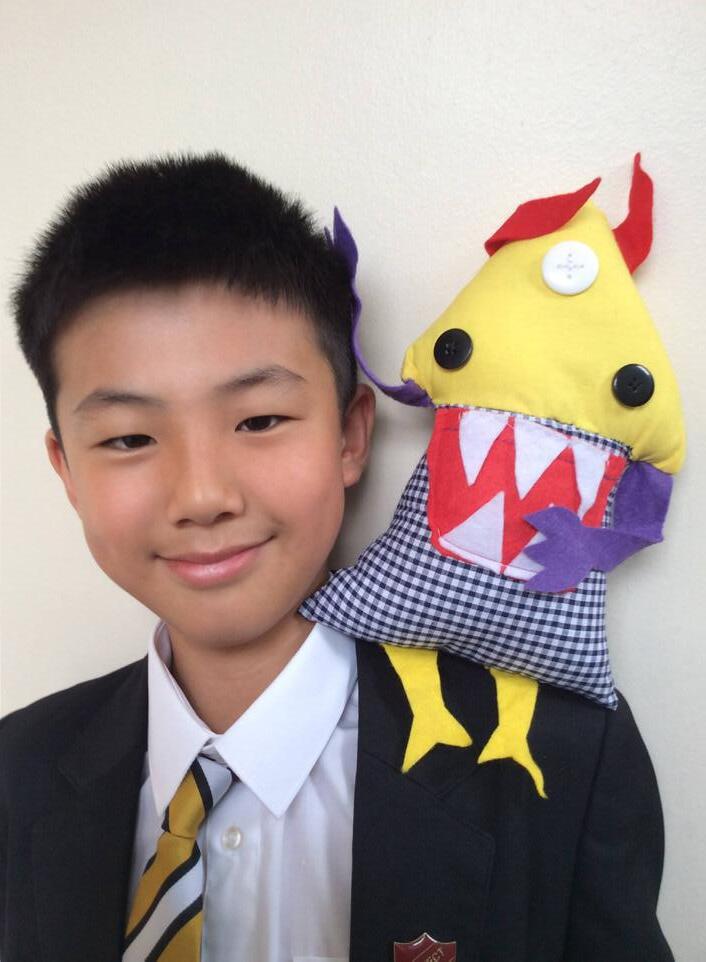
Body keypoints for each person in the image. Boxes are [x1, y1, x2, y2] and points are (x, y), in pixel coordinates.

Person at [0, 153, 673, 962]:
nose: (202, 495)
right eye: (128, 438)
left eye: (259, 421)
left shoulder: (563, 761)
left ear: (352, 435)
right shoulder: (15, 771)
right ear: (67, 471)